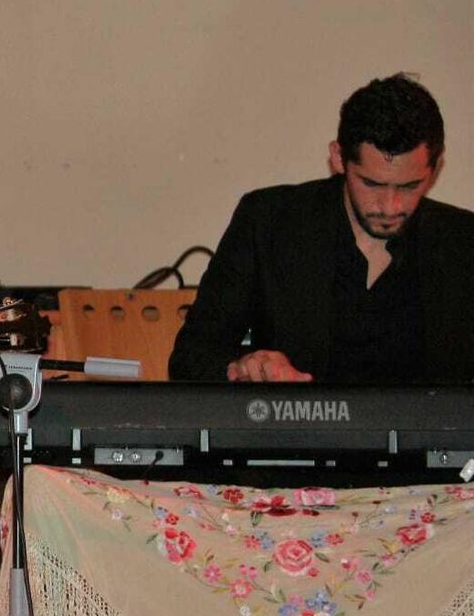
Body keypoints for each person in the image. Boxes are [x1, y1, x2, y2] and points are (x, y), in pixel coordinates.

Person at [169, 73, 474, 383]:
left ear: (434, 169)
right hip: (296, 432)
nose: (390, 205)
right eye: (371, 183)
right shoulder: (268, 223)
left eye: (410, 186)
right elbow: (191, 356)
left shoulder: (463, 244)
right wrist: (242, 369)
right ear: (338, 158)